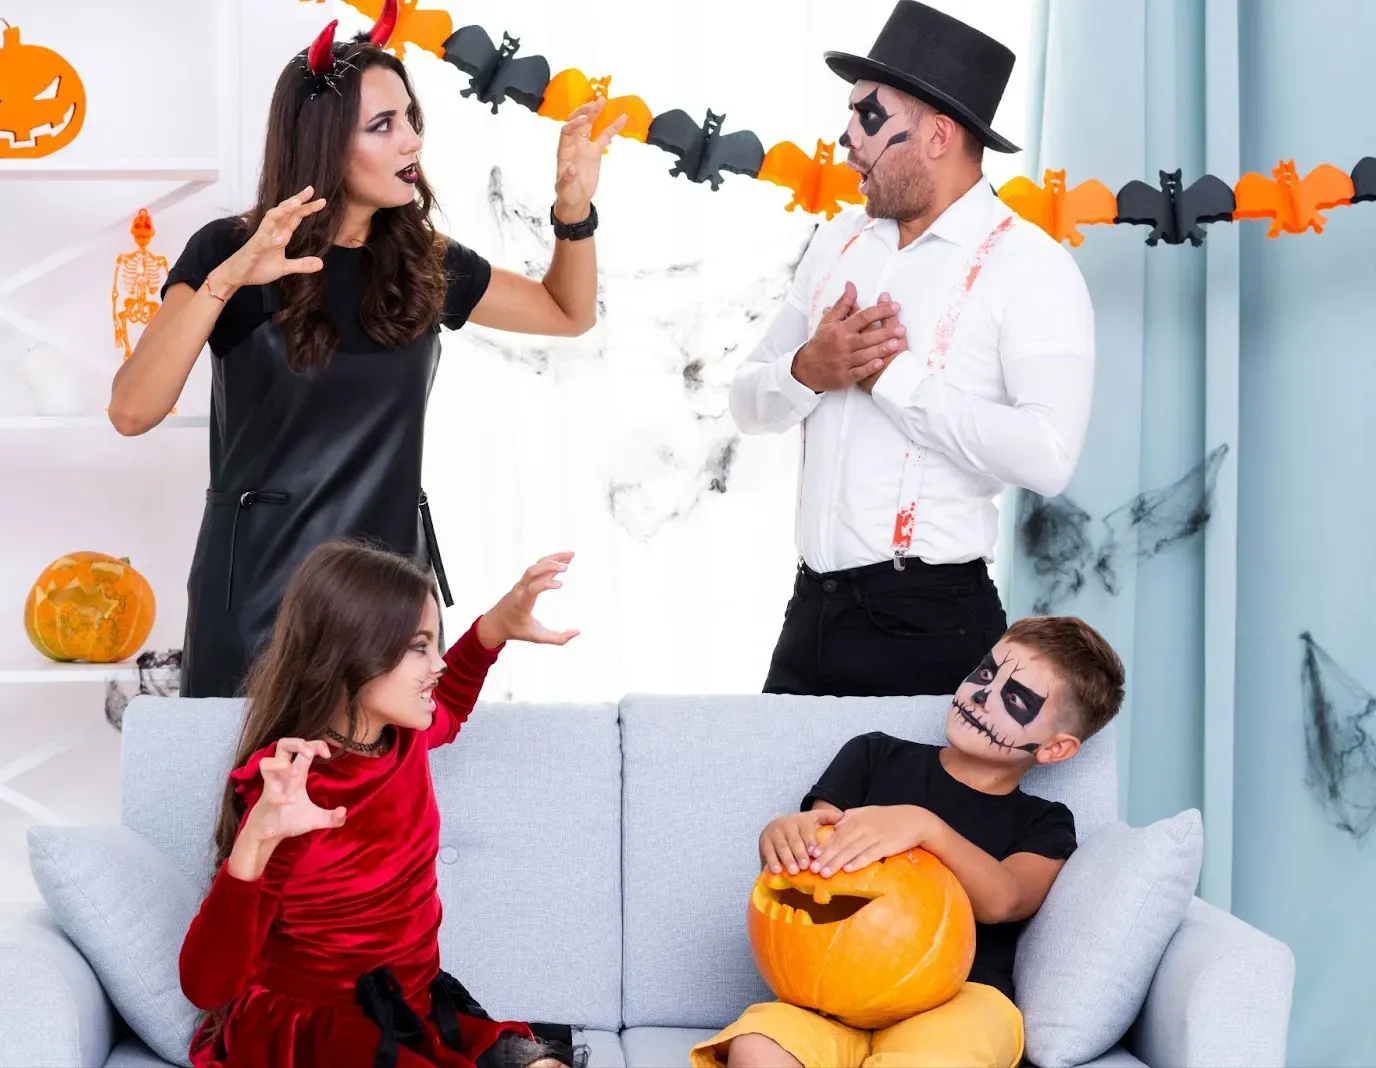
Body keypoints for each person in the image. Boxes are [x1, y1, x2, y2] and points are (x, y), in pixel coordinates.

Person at [108, 0, 624, 698]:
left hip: (390, 603)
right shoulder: (231, 250)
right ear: (322, 142)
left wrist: (573, 208)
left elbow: (568, 313)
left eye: (411, 118)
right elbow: (132, 410)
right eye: (383, 125)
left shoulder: (423, 261)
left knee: (388, 771)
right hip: (259, 602)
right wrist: (226, 282)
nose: (411, 141)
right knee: (255, 774)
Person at [729, 0, 1096, 698]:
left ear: (938, 135)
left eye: (868, 116)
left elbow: (1048, 458)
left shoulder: (1031, 266)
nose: (846, 137)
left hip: (932, 623)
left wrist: (893, 379)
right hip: (809, 614)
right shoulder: (836, 243)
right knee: (771, 778)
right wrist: (809, 369)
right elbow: (747, 403)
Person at [178, 539, 585, 1068]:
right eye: (419, 647)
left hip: (412, 1009)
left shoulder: (403, 734)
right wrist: (256, 839)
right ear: (355, 651)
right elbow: (207, 987)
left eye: (436, 645)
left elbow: (451, 704)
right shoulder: (290, 791)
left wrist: (493, 629)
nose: (438, 666)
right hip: (322, 1034)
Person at [690, 615, 1125, 1068]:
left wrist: (925, 828)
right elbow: (818, 858)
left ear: (1055, 749)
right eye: (985, 673)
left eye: (1014, 698)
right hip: (833, 993)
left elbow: (1006, 899)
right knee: (757, 1047)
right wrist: (785, 835)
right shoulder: (873, 755)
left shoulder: (1045, 820)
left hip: (959, 1000)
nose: (981, 695)